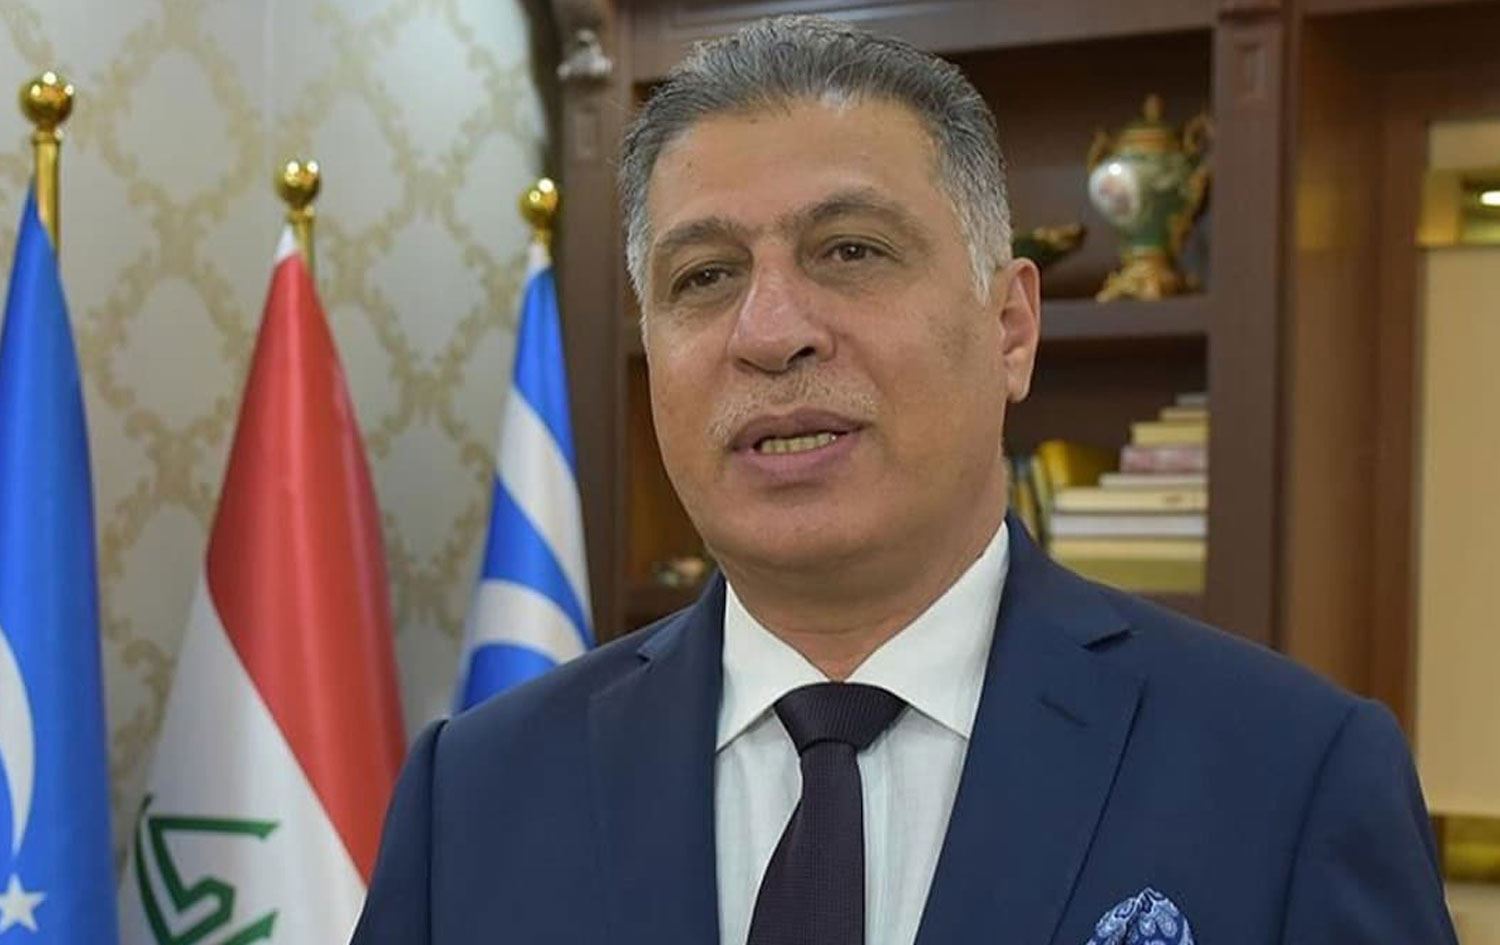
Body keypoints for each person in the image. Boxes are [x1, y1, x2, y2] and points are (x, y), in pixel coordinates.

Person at [351, 15, 1456, 945]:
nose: (770, 331)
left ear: (1011, 327)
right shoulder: (476, 794)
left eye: (850, 251)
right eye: (706, 275)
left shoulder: (1288, 777)